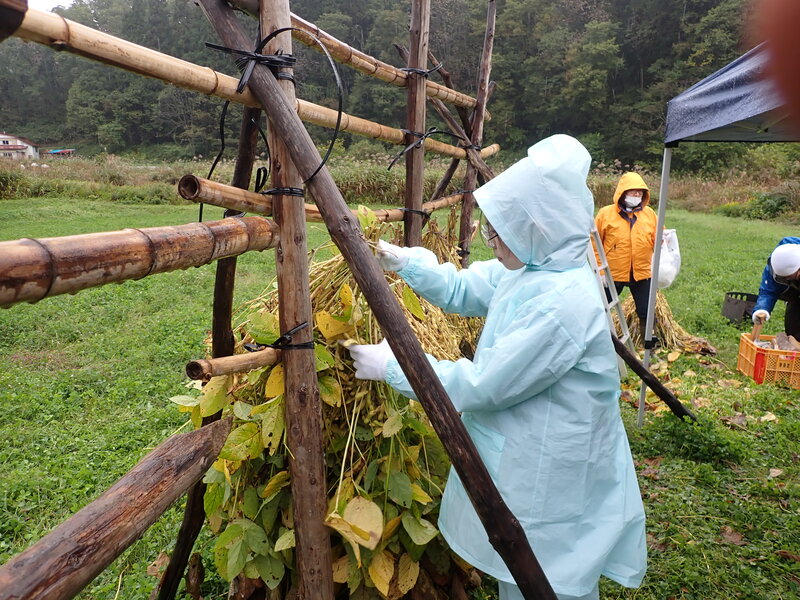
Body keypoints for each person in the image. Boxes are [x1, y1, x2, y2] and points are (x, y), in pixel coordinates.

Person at [346, 135, 647, 600]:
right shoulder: (536, 268)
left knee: (548, 573)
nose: (492, 241)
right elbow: (467, 288)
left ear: (539, 229)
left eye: (500, 232)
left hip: (553, 463)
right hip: (534, 447)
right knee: (525, 573)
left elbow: (485, 386)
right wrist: (407, 263)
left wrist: (395, 366)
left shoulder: (561, 303)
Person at [593, 172, 657, 337]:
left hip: (642, 272)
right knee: (600, 308)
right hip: (612, 273)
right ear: (622, 192)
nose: (637, 195)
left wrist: (665, 239)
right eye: (632, 191)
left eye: (640, 192)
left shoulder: (649, 214)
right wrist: (600, 271)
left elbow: (658, 237)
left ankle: (650, 343)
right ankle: (597, 339)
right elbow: (594, 243)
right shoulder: (605, 214)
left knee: (647, 310)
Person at [752, 237, 800, 337]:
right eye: (786, 278)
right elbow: (768, 291)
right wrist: (762, 309)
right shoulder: (777, 262)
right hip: (796, 297)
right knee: (793, 330)